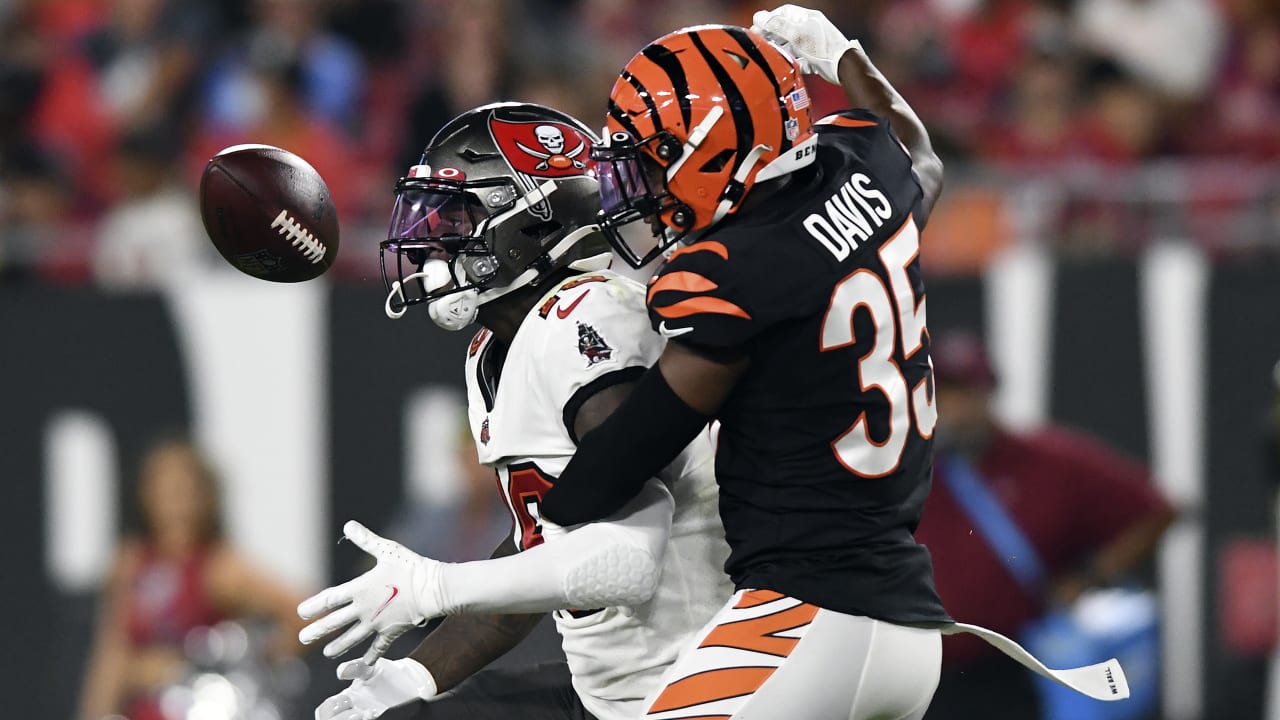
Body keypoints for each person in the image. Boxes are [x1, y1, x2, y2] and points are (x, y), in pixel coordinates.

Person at [299, 102, 732, 720]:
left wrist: (435, 589)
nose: (429, 240)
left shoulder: (586, 318)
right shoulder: (497, 345)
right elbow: (544, 549)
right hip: (613, 692)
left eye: (456, 216)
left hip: (688, 690)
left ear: (533, 220)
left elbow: (626, 557)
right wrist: (414, 677)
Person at [915, 330, 1175, 720]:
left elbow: (1155, 511)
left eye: (967, 393)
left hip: (1018, 669)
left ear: (989, 393)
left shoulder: (1048, 461)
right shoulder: (909, 469)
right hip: (927, 671)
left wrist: (1088, 576)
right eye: (943, 394)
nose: (955, 408)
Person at [77, 438, 309, 720]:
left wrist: (257, 660)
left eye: (184, 488)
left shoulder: (221, 567)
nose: (175, 499)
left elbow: (307, 611)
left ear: (206, 496)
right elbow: (112, 654)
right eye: (164, 487)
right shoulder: (130, 564)